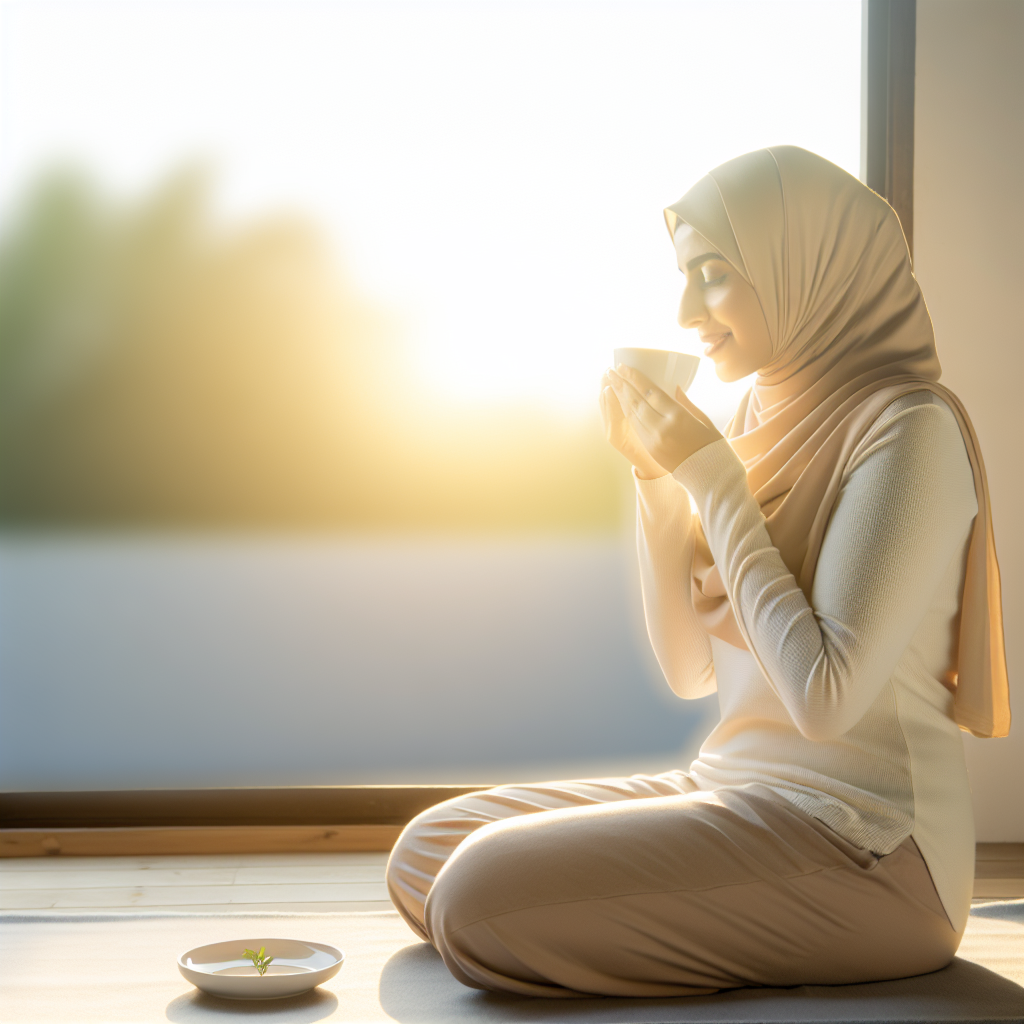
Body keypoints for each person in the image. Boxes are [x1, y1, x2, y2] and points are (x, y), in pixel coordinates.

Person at [384, 146, 1009, 998]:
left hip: (871, 850)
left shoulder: (909, 431)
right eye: (685, 277)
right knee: (428, 850)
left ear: (806, 268)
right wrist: (656, 478)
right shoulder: (760, 411)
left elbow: (824, 701)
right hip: (737, 788)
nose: (686, 311)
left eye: (713, 274)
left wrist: (713, 478)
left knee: (472, 895)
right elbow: (688, 671)